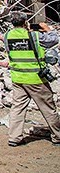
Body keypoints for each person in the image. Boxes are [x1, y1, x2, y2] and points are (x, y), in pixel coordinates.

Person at [5, 12, 60, 147]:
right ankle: (58, 136)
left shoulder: (7, 36)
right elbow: (53, 40)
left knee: (17, 108)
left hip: (18, 78)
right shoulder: (34, 36)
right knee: (48, 108)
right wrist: (48, 29)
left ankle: (14, 137)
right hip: (36, 79)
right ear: (25, 22)